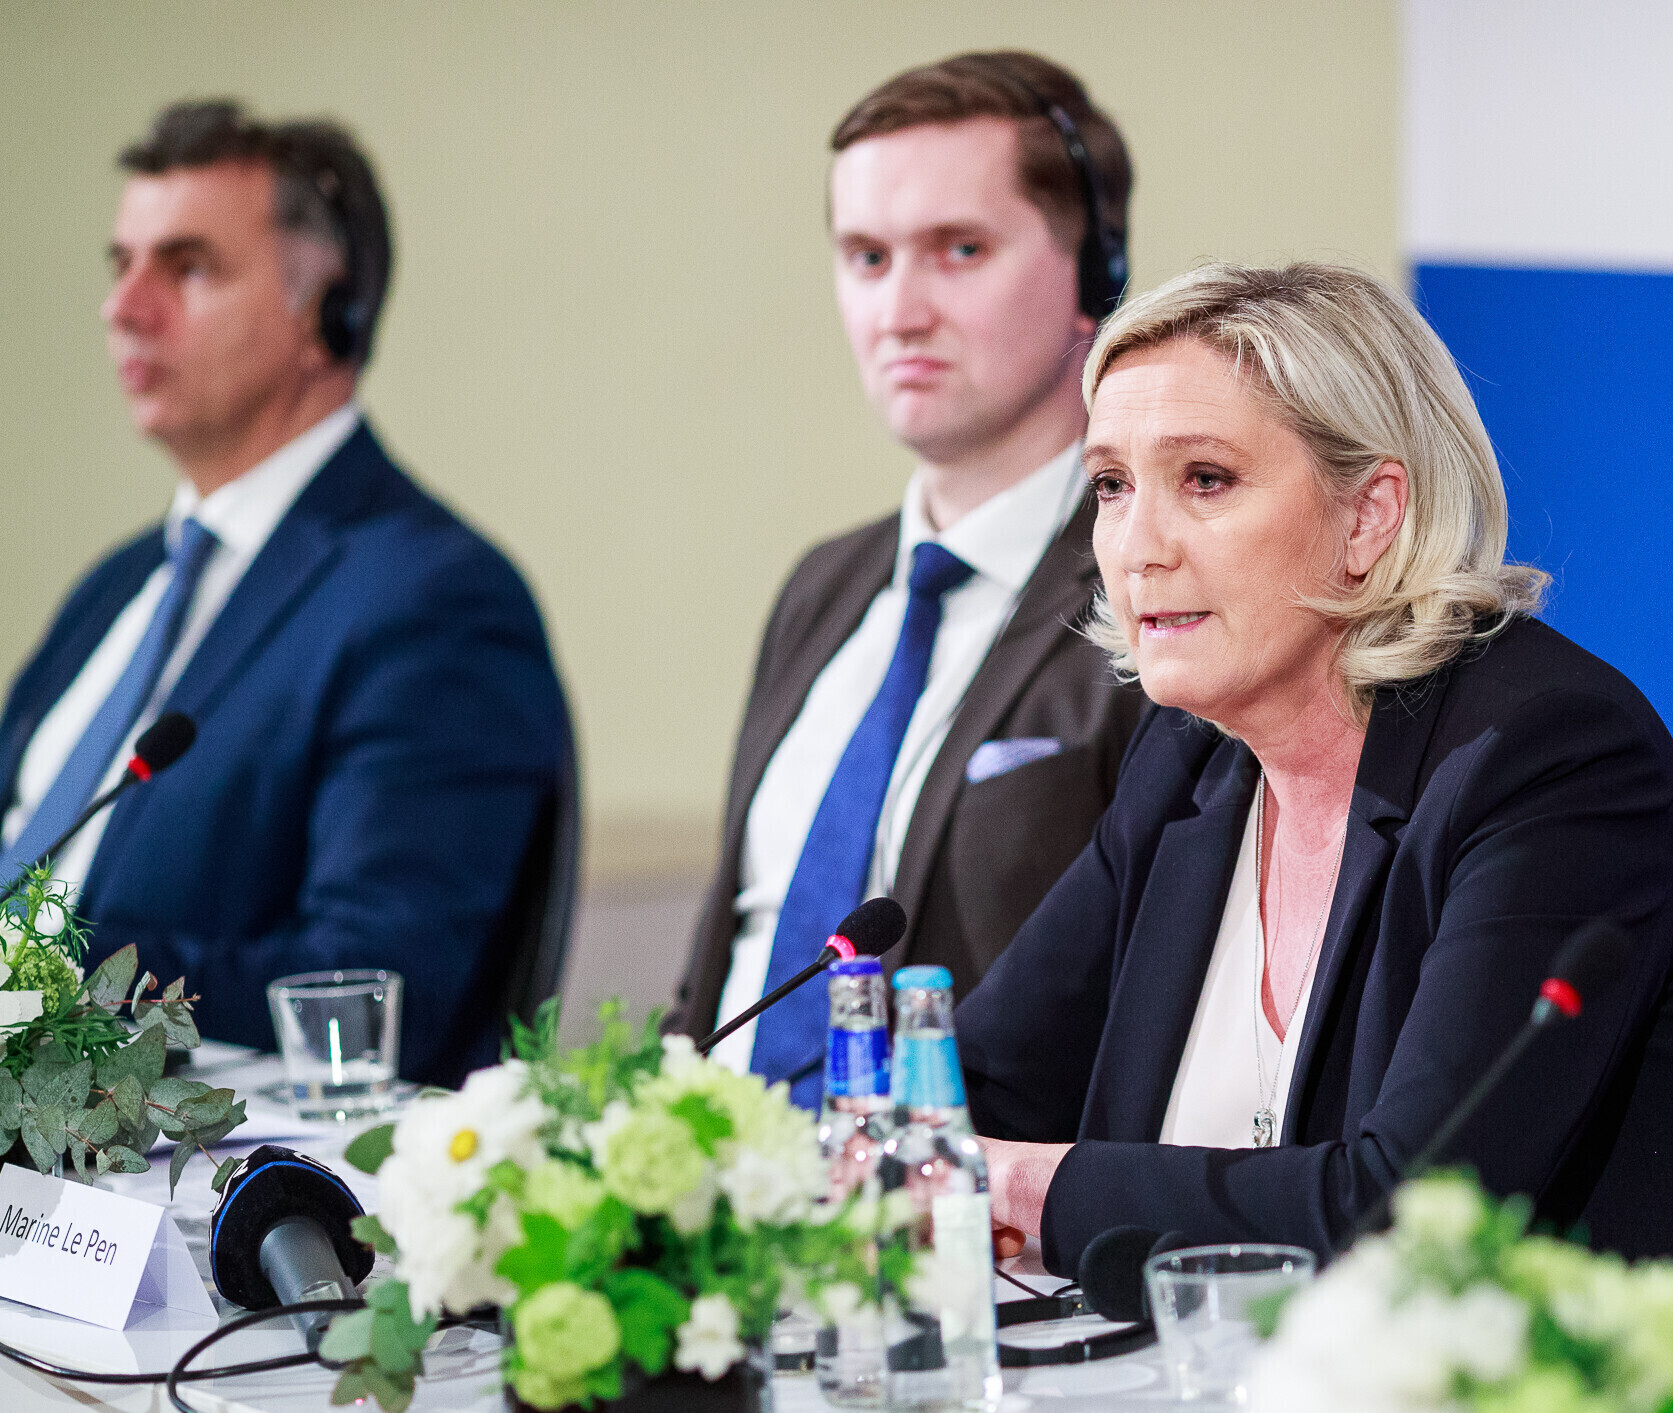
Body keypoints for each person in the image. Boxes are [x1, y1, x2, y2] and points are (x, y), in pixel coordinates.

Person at [957, 261, 1673, 1298]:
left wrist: (1027, 1189)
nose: (1138, 546)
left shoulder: (1549, 762)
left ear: (1369, 516)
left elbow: (1411, 1214)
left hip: (1596, 1384)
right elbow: (976, 1088)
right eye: (1112, 485)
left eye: (1206, 480)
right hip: (1234, 1384)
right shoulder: (1188, 762)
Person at [0, 100, 568, 1085]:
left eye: (187, 268)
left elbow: (379, 988)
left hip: (191, 1162)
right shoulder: (115, 586)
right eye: (121, 265)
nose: (123, 308)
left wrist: (44, 985)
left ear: (326, 313)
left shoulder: (435, 599)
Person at [674, 51, 1148, 1104]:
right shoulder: (821, 588)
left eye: (959, 250)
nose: (899, 310)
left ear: (1095, 274)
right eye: (867, 257)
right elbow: (719, 969)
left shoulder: (1154, 586)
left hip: (966, 1189)